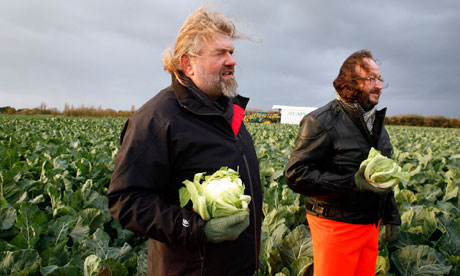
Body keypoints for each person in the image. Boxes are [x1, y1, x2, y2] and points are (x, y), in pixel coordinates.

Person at [107, 5, 262, 276]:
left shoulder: (228, 111)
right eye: (220, 53)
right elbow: (126, 200)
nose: (232, 60)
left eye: (231, 52)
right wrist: (196, 228)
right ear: (187, 63)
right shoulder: (157, 119)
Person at [285, 50, 401, 276]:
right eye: (370, 79)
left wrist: (391, 215)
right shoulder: (320, 121)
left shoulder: (374, 121)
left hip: (369, 225)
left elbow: (384, 175)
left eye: (380, 79)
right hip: (336, 225)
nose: (378, 85)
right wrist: (352, 183)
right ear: (349, 83)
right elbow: (296, 175)